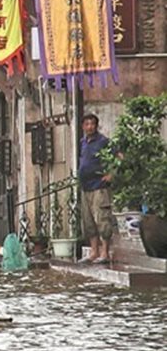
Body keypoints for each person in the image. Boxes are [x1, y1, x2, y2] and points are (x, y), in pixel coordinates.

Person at [78, 113, 116, 264]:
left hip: (99, 186)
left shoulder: (103, 141)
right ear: (83, 126)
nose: (90, 127)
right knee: (88, 222)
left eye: (92, 124)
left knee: (102, 219)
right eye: (87, 124)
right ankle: (94, 252)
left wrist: (111, 174)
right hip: (85, 187)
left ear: (96, 125)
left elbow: (119, 156)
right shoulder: (82, 142)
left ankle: (104, 253)